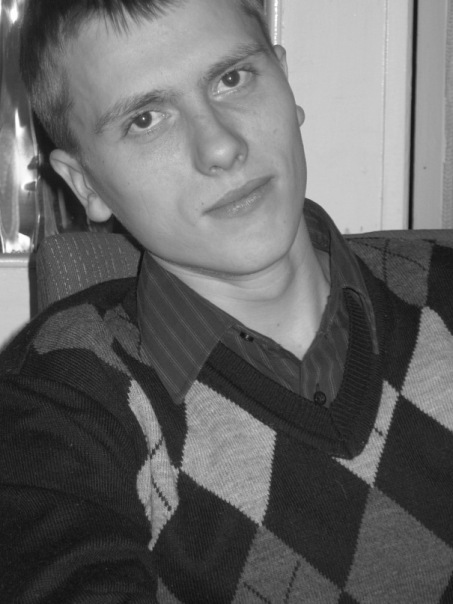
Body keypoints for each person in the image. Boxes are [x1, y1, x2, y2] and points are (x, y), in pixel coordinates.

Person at [1, 0, 452, 601]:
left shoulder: (441, 294)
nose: (219, 146)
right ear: (86, 183)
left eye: (232, 78)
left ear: (286, 83)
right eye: (145, 119)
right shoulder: (57, 399)